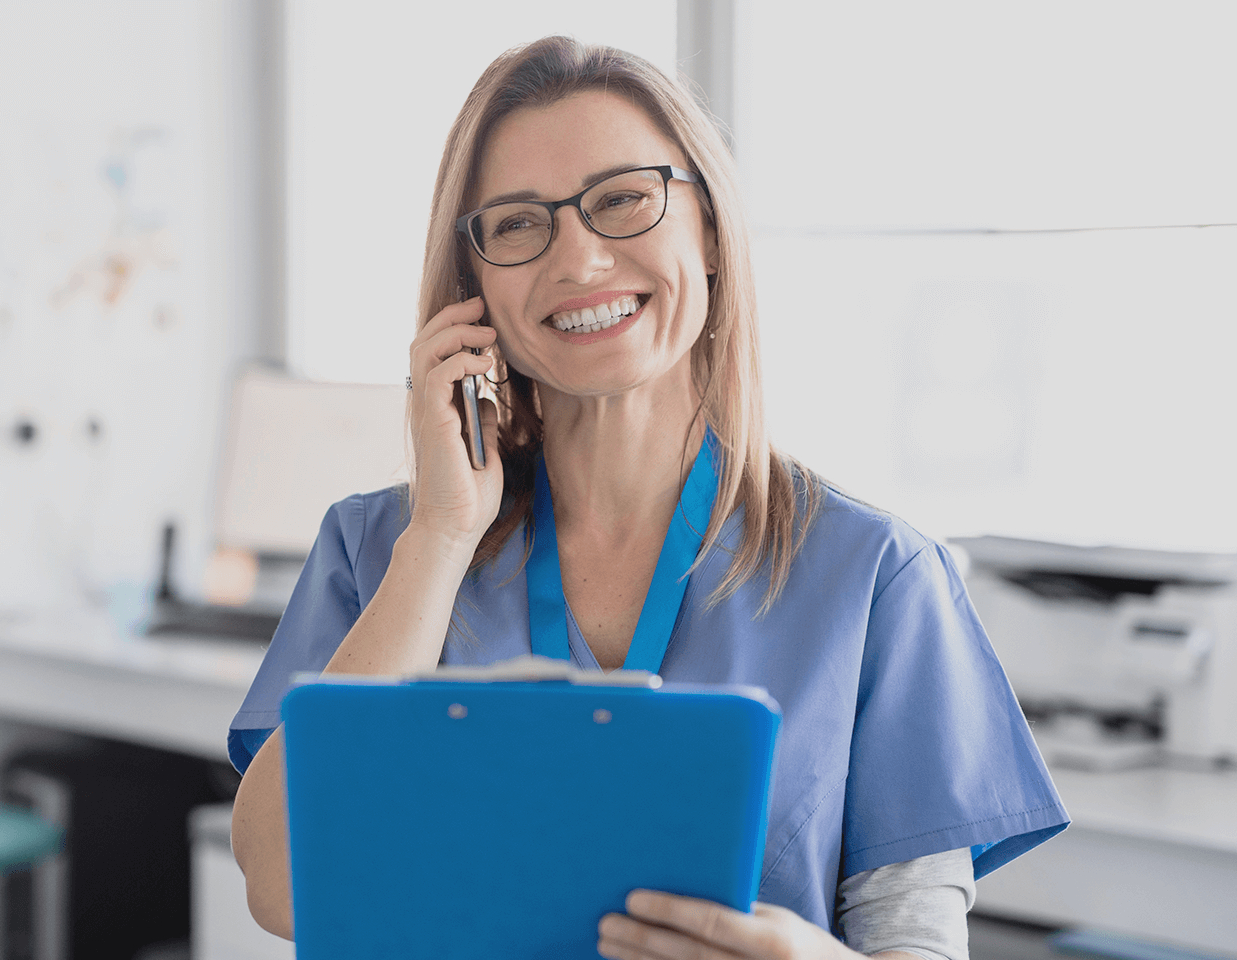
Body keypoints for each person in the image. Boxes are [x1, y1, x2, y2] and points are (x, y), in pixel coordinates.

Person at [226, 36, 1067, 960]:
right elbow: (281, 887)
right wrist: (442, 533)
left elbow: (916, 942)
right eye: (516, 224)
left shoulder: (875, 574)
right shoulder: (379, 547)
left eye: (623, 200)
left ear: (708, 231)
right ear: (475, 291)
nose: (579, 262)